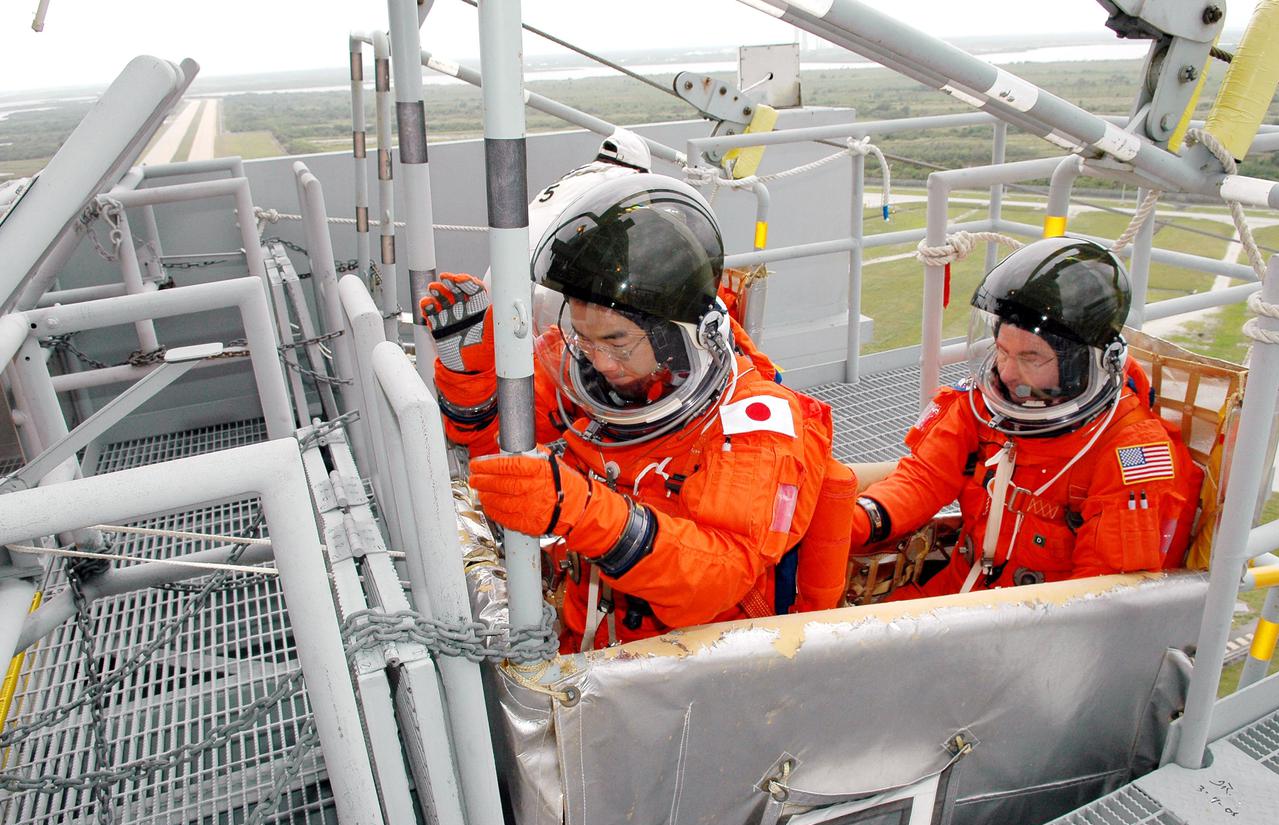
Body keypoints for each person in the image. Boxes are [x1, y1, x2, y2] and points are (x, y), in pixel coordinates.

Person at [423, 173, 855, 651]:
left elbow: (721, 578)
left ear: (676, 334)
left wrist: (582, 511)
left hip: (695, 663)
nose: (601, 362)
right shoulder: (583, 364)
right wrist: (471, 376)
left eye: (617, 342)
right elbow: (502, 461)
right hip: (591, 642)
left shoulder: (754, 427)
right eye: (585, 337)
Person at [851, 237, 1203, 598]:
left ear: (1079, 363)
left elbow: (1100, 598)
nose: (1008, 373)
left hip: (1041, 624)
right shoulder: (980, 404)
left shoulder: (1128, 453)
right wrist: (860, 521)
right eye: (1003, 351)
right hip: (960, 588)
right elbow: (924, 479)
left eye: (1032, 358)